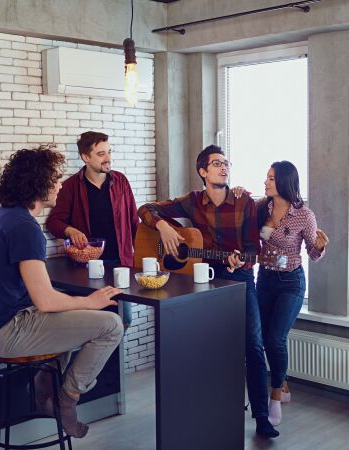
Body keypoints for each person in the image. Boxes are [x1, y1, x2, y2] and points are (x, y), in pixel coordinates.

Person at [0, 146, 124, 439]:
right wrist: (90, 301)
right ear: (37, 183)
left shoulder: (0, 215)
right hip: (7, 332)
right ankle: (67, 400)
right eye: (55, 178)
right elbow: (45, 300)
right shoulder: (23, 227)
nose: (60, 185)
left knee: (72, 314)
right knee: (110, 325)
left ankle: (45, 389)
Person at [138, 145, 280, 438]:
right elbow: (145, 210)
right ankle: (200, 411)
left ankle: (262, 416)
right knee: (200, 346)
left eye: (226, 163)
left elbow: (255, 248)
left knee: (253, 345)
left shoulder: (245, 203)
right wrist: (163, 225)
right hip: (204, 281)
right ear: (203, 172)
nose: (223, 167)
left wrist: (241, 255)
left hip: (240, 277)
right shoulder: (191, 202)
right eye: (216, 164)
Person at [255, 161, 329, 426]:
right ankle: (282, 382)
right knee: (262, 336)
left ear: (285, 182)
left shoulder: (304, 216)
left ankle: (275, 396)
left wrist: (320, 247)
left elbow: (312, 252)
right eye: (266, 177)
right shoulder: (261, 208)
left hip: (291, 283)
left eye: (271, 179)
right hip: (264, 279)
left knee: (276, 338)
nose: (266, 182)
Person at [46, 131, 138, 328]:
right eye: (101, 154)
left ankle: (114, 360)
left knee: (125, 320)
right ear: (85, 157)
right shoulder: (70, 186)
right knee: (93, 324)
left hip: (120, 264)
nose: (108, 158)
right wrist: (70, 230)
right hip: (87, 269)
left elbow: (133, 221)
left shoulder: (121, 181)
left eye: (109, 152)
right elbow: (54, 222)